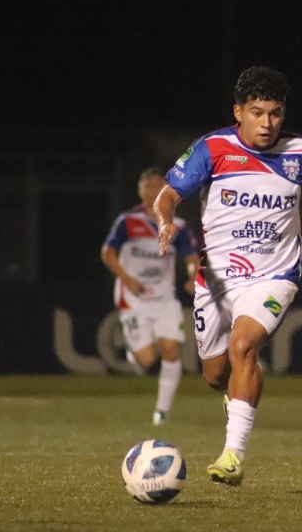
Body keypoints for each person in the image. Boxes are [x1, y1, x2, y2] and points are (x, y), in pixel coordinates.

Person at [154, 65, 302, 486]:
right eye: (257, 113)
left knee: (244, 346)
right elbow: (168, 195)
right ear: (239, 112)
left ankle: (232, 456)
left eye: (275, 113)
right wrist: (165, 221)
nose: (267, 123)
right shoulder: (213, 148)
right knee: (215, 376)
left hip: (275, 275)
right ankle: (238, 396)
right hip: (217, 281)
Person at [101, 167, 200, 426]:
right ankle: (134, 355)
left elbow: (191, 257)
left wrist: (193, 276)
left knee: (171, 350)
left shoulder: (177, 226)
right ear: (140, 190)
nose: (154, 189)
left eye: (158, 185)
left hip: (165, 298)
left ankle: (162, 412)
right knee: (146, 360)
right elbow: (108, 253)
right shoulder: (128, 221)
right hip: (133, 298)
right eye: (148, 185)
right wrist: (127, 278)